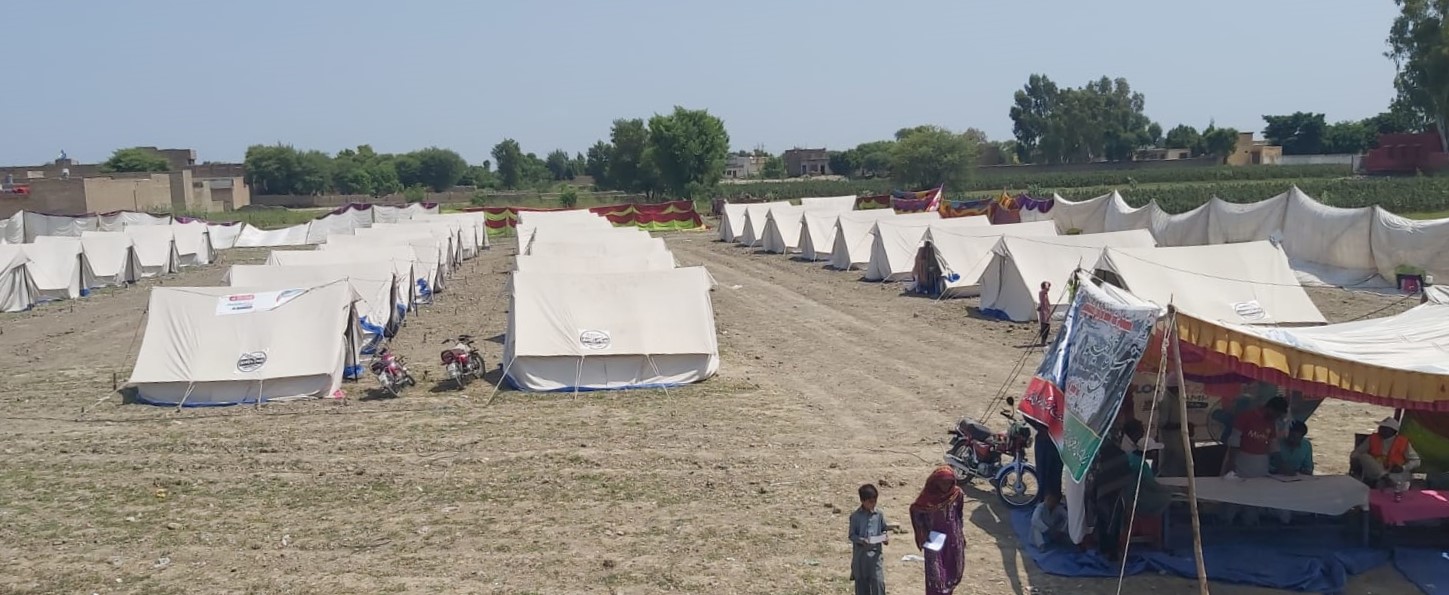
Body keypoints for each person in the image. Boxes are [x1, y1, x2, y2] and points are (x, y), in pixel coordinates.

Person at [1220, 396, 1289, 525]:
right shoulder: (1245, 417)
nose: (1276, 418)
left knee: (1254, 498)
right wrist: (1231, 463)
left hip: (1261, 463)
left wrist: (1282, 465)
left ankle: (1250, 525)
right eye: (1276, 414)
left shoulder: (1272, 423)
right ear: (1270, 408)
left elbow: (1273, 445)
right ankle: (1226, 524)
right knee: (1234, 496)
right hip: (1241, 460)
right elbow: (1234, 441)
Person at [910, 467, 965, 595]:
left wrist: (961, 535)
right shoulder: (927, 498)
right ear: (935, 482)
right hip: (934, 541)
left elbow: (959, 514)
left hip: (953, 541)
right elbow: (916, 512)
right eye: (942, 482)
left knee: (953, 571)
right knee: (936, 577)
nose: (946, 486)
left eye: (948, 482)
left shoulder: (957, 494)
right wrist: (922, 533)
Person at [1352, 417, 1421, 489]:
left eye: (1384, 428)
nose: (1380, 429)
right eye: (1380, 427)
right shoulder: (1373, 438)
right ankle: (1384, 477)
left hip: (1395, 472)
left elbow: (1416, 461)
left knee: (1383, 485)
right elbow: (1357, 453)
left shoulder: (1403, 442)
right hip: (1376, 470)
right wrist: (1357, 460)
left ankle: (1386, 480)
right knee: (1364, 457)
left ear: (1393, 431)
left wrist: (1403, 468)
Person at [1120, 420, 1171, 517]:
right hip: (1129, 496)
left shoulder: (1131, 456)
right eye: (1154, 451)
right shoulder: (1143, 465)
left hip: (1123, 491)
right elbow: (1151, 484)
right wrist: (1170, 491)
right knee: (1164, 497)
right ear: (1148, 452)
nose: (1155, 453)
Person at [849, 484, 889, 595]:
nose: (873, 504)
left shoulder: (879, 514)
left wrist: (885, 537)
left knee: (878, 582)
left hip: (875, 556)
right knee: (862, 585)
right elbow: (852, 535)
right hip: (861, 557)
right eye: (870, 501)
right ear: (862, 501)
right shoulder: (855, 517)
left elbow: (884, 529)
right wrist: (861, 540)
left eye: (875, 501)